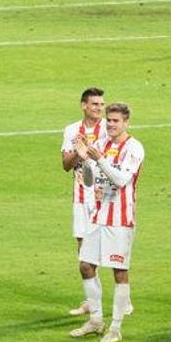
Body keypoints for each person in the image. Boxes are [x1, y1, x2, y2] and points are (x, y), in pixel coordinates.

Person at [69, 103, 145, 342]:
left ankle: (116, 327)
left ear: (126, 123)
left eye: (116, 121)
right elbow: (90, 182)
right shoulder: (100, 144)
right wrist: (85, 161)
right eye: (109, 121)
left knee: (119, 271)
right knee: (86, 266)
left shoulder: (133, 148)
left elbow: (122, 180)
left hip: (120, 219)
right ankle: (96, 320)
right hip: (97, 216)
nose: (111, 124)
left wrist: (99, 159)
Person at [60, 87, 105, 316]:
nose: (99, 108)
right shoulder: (71, 130)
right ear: (84, 105)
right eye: (95, 104)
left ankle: (123, 299)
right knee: (83, 251)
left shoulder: (110, 129)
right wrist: (79, 151)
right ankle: (92, 301)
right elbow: (66, 164)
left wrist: (93, 151)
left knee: (108, 250)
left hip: (104, 197)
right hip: (80, 197)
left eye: (101, 104)